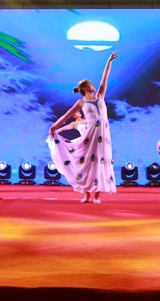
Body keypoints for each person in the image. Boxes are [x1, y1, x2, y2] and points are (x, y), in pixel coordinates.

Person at [48, 51, 118, 204]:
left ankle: (97, 196)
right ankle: (86, 194)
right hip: (90, 135)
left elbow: (105, 78)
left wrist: (109, 61)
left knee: (101, 163)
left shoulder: (100, 96)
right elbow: (66, 116)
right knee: (87, 163)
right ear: (86, 88)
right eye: (91, 84)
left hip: (103, 136)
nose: (94, 86)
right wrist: (53, 127)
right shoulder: (81, 103)